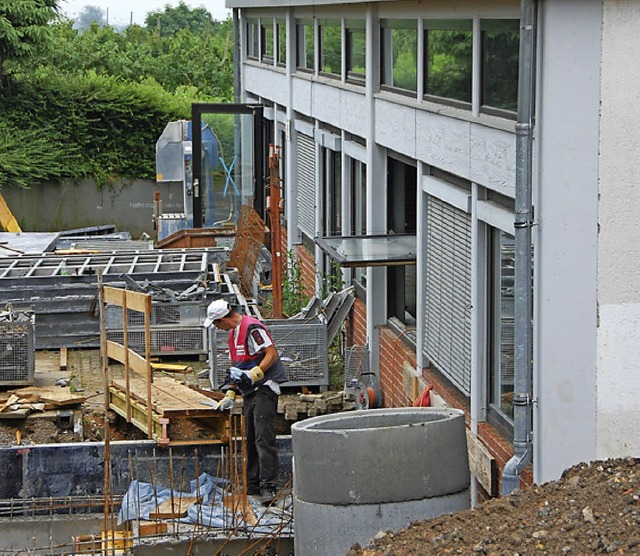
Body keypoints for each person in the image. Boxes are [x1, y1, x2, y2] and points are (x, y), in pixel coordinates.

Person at [203, 299, 287, 504]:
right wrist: (231, 391)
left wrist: (257, 372)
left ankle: (268, 487)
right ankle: (253, 484)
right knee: (250, 437)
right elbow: (236, 365)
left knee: (263, 438)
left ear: (223, 319)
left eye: (216, 324)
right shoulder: (233, 334)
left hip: (265, 387)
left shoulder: (252, 328)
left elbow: (271, 354)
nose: (217, 328)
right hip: (250, 390)